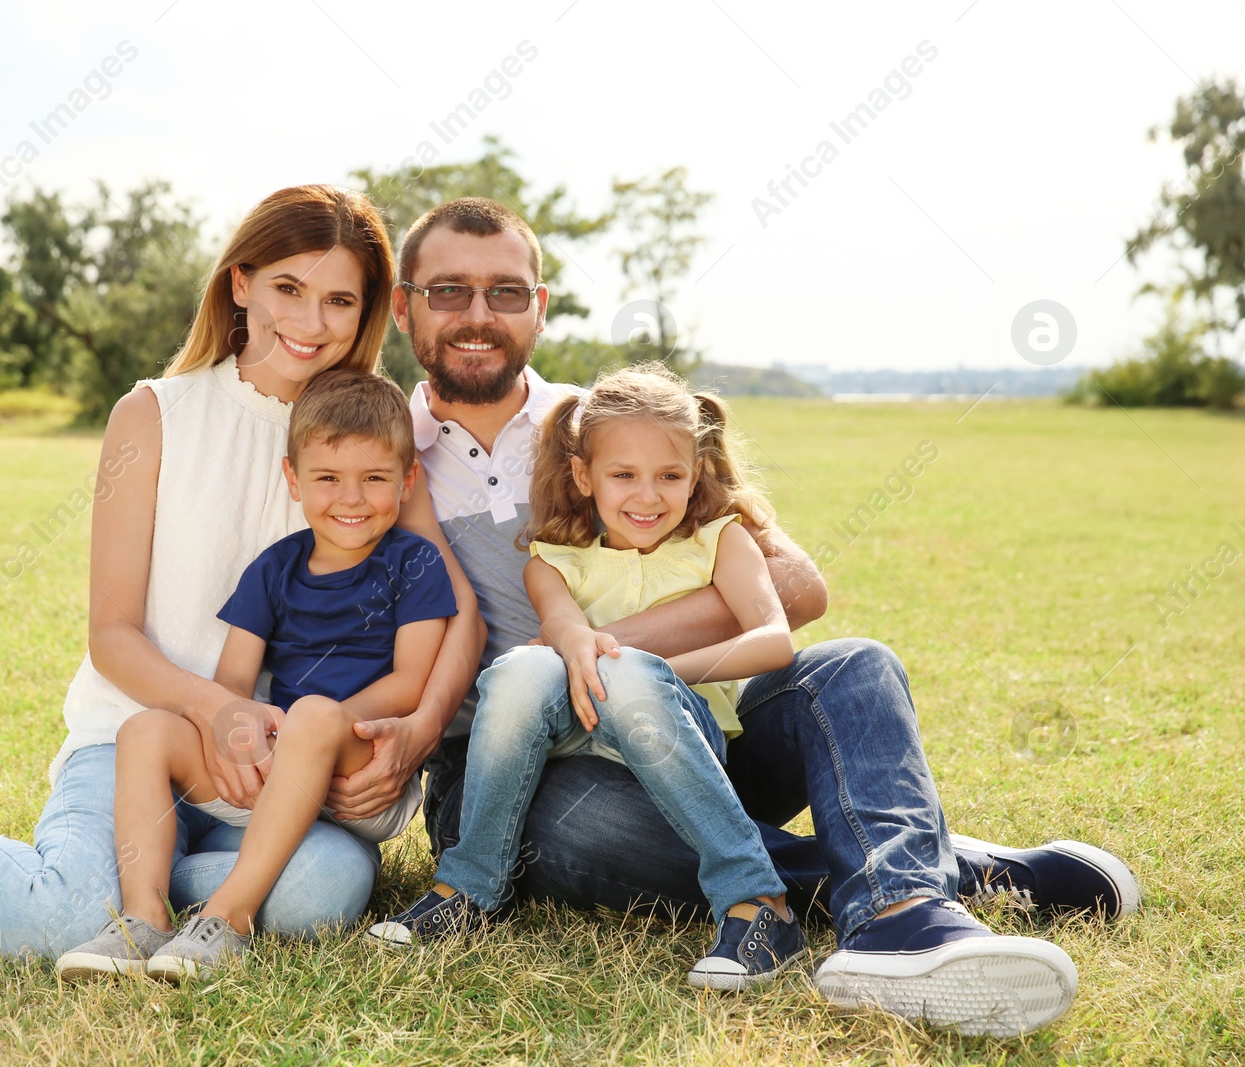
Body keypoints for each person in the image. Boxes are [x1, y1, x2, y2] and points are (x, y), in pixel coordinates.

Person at [366, 196, 1138, 1038]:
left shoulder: (610, 427)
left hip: (693, 724)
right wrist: (566, 655)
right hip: (526, 769)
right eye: (448, 291)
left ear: (540, 305)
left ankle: (902, 914)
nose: (478, 316)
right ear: (405, 305)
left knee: (855, 665)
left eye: (506, 292)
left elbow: (797, 588)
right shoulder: (377, 460)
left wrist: (619, 657)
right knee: (569, 827)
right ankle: (954, 870)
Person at [0, 185, 484, 960]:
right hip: (135, 738)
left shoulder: (368, 432)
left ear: (368, 310)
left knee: (324, 895)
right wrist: (216, 709)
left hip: (278, 770)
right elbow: (112, 635)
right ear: (240, 284)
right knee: (55, 929)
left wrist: (415, 736)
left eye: (339, 300)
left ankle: (86, 882)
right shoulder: (152, 414)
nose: (311, 322)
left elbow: (460, 616)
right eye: (288, 288)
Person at [371, 364, 815, 991]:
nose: (648, 495)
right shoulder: (552, 560)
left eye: (669, 476)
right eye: (623, 475)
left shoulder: (722, 540)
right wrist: (578, 646)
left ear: (697, 474)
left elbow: (773, 641)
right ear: (584, 476)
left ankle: (756, 902)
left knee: (629, 675)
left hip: (681, 735)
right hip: (584, 742)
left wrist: (653, 671)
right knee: (521, 670)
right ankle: (468, 890)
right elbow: (557, 627)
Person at [56, 371, 460, 980]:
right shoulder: (274, 568)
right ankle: (143, 919)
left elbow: (409, 682)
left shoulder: (414, 561)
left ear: (406, 482)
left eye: (374, 479)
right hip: (281, 765)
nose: (351, 498)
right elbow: (233, 686)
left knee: (318, 714)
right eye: (327, 478)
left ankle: (230, 917)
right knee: (146, 730)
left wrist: (308, 728)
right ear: (294, 479)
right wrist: (248, 734)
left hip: (363, 769)